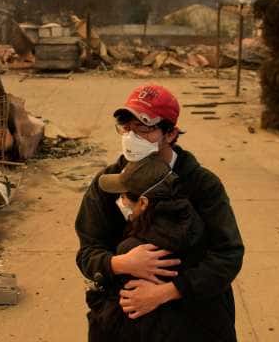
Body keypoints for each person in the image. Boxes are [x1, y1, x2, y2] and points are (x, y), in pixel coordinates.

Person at [75, 83, 244, 341]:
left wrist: (166, 291)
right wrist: (119, 263)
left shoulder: (201, 184)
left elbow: (227, 255)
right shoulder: (108, 182)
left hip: (195, 319)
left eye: (144, 129)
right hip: (125, 321)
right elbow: (88, 251)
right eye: (127, 128)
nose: (132, 138)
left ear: (171, 134)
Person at [88, 153, 205, 341]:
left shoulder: (136, 251)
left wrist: (96, 296)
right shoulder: (194, 224)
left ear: (143, 202)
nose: (121, 201)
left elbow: (120, 316)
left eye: (124, 195)